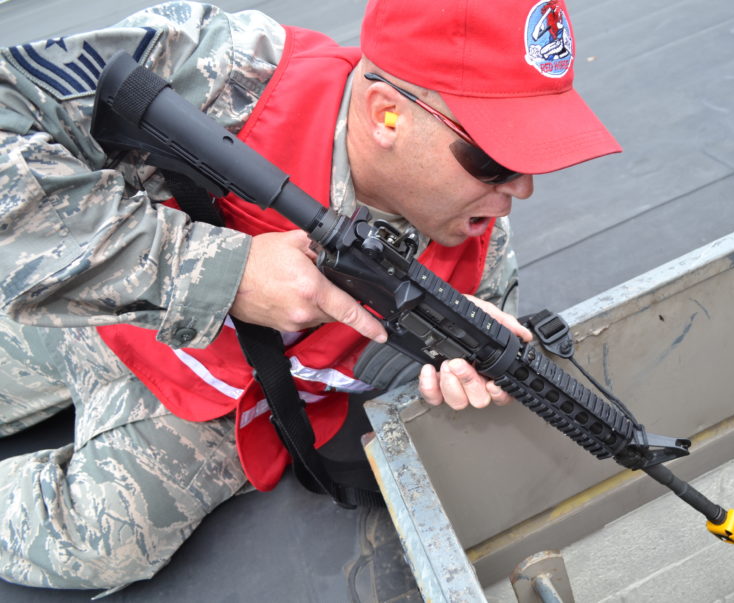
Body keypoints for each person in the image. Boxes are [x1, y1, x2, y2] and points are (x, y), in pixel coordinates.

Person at [0, 0, 621, 592]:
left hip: (224, 390)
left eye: (535, 153)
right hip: (88, 284)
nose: (524, 188)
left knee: (103, 538)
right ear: (387, 116)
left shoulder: (478, 242)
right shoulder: (224, 68)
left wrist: (439, 368)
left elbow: (434, 382)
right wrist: (220, 272)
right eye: (494, 159)